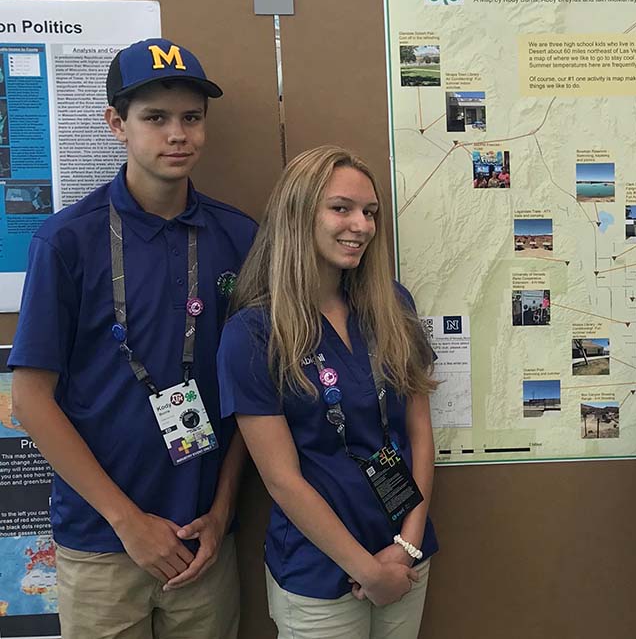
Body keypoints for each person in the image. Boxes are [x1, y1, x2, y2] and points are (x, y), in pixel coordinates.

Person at [9, 38, 254, 637]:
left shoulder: (240, 237)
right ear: (117, 124)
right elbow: (31, 400)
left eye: (191, 118)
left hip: (203, 544)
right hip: (102, 543)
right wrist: (127, 522)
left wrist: (221, 514)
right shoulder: (66, 241)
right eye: (156, 118)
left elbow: (256, 391)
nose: (178, 134)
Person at [218, 145, 438, 638]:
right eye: (341, 208)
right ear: (298, 215)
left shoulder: (391, 304)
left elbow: (420, 432)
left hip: (407, 552)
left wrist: (406, 545)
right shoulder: (253, 334)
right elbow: (282, 480)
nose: (360, 225)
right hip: (319, 572)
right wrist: (367, 569)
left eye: (370, 212)